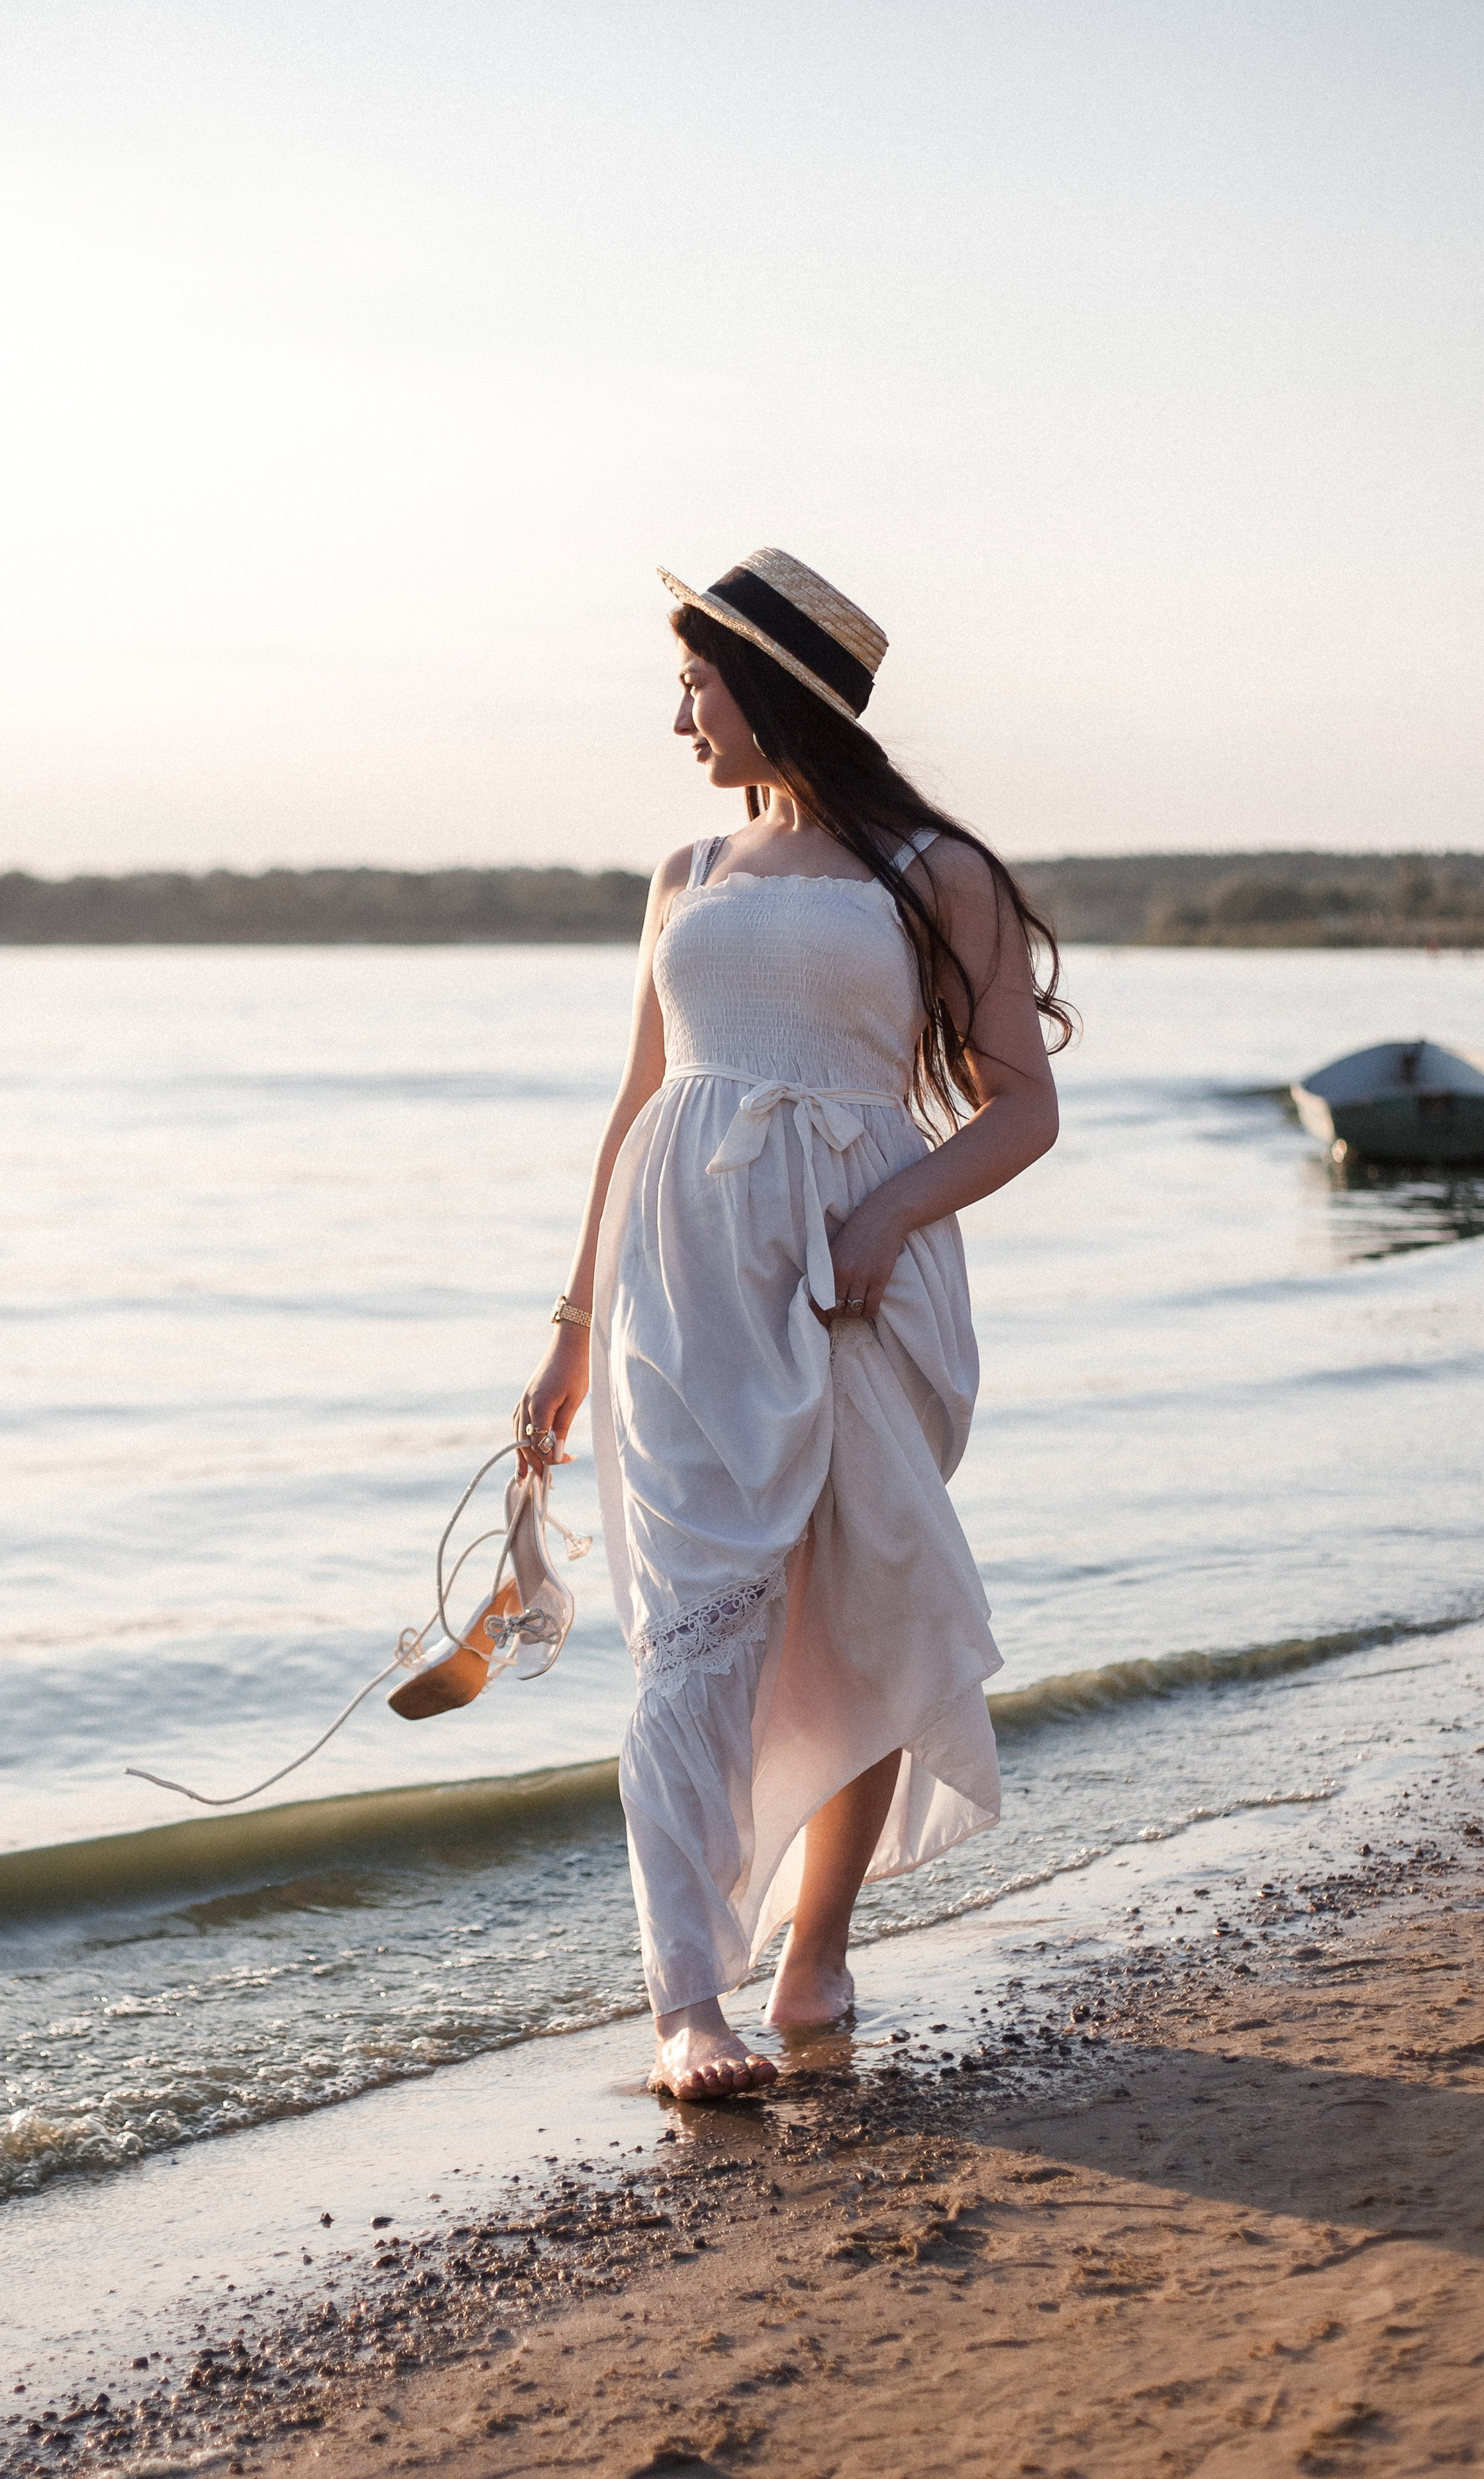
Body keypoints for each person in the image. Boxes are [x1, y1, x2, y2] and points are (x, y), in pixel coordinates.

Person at [515, 548, 1069, 2101]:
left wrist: (887, 1217)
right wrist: (568, 1326)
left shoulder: (928, 870)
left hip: (856, 1281)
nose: (677, 714)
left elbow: (1021, 1109)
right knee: (695, 1631)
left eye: (694, 682)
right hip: (682, 1280)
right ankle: (687, 1996)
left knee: (869, 1599)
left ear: (766, 686)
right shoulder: (683, 878)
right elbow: (637, 1101)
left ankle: (813, 1951)